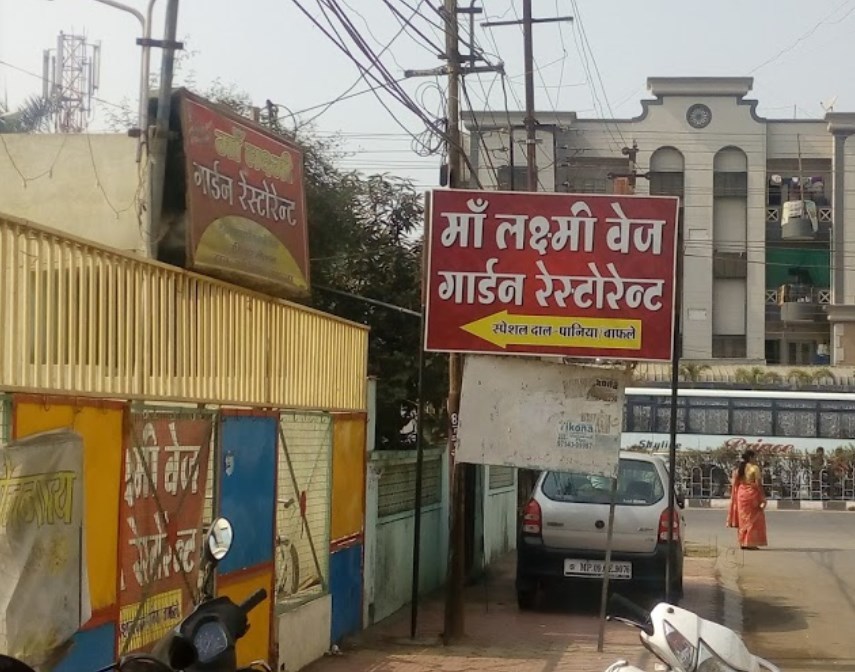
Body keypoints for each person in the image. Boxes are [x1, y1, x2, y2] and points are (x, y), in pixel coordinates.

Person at [726, 449, 768, 550]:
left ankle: (742, 542)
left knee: (743, 519)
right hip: (751, 495)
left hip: (741, 495)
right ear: (750, 457)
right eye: (754, 457)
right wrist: (762, 496)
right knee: (753, 520)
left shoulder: (739, 469)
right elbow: (758, 484)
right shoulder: (755, 468)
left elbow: (735, 483)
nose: (756, 459)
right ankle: (750, 543)